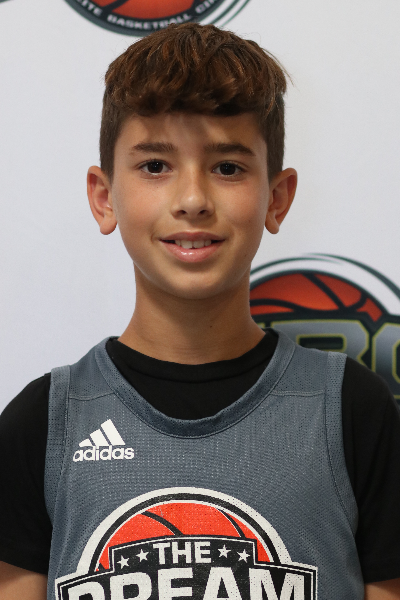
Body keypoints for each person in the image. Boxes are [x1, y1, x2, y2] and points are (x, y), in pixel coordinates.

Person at [0, 23, 400, 600]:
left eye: (228, 167)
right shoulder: (44, 423)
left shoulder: (352, 410)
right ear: (104, 197)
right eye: (155, 166)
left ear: (277, 198)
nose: (192, 200)